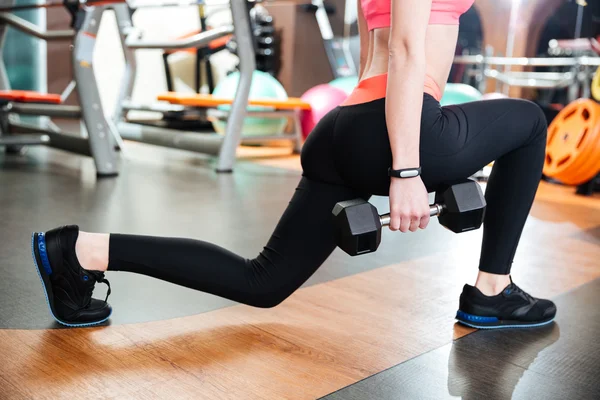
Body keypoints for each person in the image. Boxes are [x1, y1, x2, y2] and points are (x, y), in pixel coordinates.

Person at [31, 0, 556, 328]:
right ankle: (492, 291)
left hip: (341, 127)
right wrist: (407, 172)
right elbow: (404, 49)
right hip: (404, 123)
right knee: (530, 122)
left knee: (263, 281)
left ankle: (78, 251)